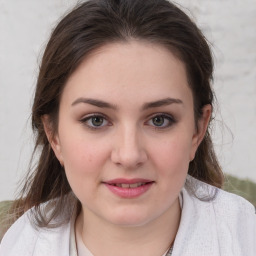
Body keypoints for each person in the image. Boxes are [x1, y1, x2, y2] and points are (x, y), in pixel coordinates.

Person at [0, 0, 255, 255]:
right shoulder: (16, 243)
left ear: (197, 131)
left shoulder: (244, 238)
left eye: (159, 120)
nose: (129, 155)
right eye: (96, 120)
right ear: (54, 135)